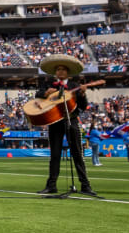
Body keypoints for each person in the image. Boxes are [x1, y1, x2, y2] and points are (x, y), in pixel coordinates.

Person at [35, 55, 97, 197]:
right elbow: (37, 96)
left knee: (77, 154)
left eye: (63, 69)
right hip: (55, 121)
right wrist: (45, 93)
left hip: (72, 120)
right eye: (58, 69)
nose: (60, 72)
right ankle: (51, 186)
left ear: (68, 73)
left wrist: (82, 95)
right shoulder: (49, 85)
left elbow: (82, 106)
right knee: (54, 154)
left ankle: (86, 185)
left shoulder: (75, 86)